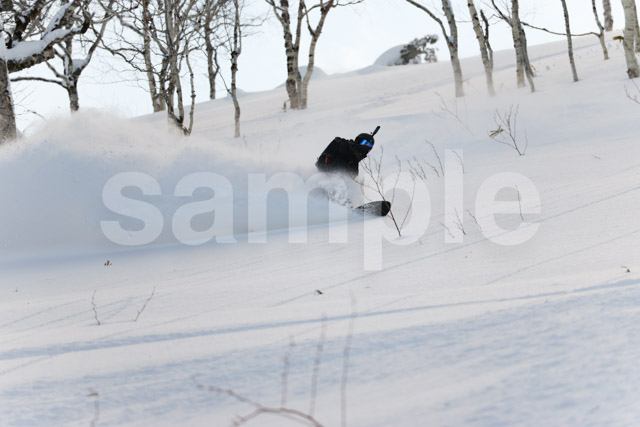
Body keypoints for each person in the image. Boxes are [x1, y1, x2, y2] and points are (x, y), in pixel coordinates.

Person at [315, 126, 380, 178]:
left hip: (336, 183)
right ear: (359, 141)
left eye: (369, 147)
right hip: (326, 172)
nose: (367, 147)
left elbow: (353, 177)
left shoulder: (354, 160)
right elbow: (343, 148)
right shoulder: (344, 144)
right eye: (366, 143)